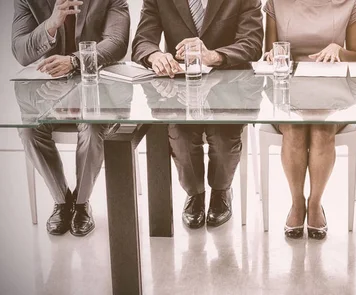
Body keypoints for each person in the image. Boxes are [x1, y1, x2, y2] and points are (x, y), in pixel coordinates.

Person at [132, 0, 263, 229]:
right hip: (180, 87)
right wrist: (155, 56)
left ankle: (221, 191)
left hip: (228, 86)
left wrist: (213, 55)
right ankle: (195, 194)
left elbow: (252, 44)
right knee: (180, 136)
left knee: (223, 137)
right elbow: (142, 41)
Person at [12, 0, 130, 236]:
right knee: (28, 130)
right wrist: (50, 25)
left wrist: (76, 61)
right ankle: (62, 201)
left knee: (93, 127)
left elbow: (117, 42)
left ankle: (81, 203)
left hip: (97, 88)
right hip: (48, 92)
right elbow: (20, 50)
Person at [263, 0, 356, 239]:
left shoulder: (349, 4)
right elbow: (270, 51)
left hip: (332, 89)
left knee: (321, 128)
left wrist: (338, 51)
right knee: (295, 128)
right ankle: (297, 203)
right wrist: (269, 55)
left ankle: (315, 203)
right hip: (288, 89)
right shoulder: (276, 3)